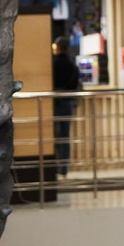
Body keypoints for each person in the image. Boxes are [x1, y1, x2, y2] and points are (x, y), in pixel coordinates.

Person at [51, 36, 82, 175]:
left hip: (54, 102)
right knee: (65, 136)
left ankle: (54, 164)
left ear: (57, 47)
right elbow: (75, 85)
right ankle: (64, 167)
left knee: (54, 134)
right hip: (68, 102)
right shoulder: (72, 65)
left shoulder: (53, 64)